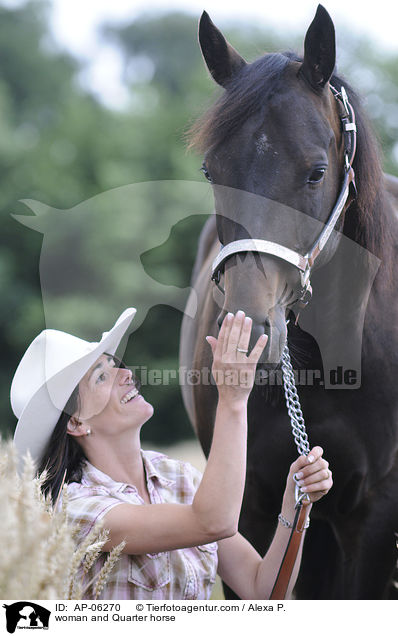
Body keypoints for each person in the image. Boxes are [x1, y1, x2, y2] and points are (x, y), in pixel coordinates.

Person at [11, 307, 333, 600]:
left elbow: (263, 591)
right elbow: (213, 522)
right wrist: (233, 400)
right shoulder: (78, 510)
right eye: (102, 376)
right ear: (77, 423)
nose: (126, 374)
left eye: (115, 364)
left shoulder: (178, 477)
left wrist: (295, 505)